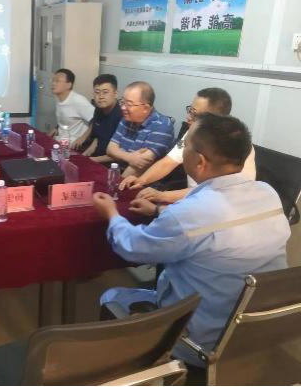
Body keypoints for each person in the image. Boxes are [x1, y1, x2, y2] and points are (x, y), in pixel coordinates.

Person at [93, 114, 290, 368]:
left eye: (185, 145)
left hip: (198, 342)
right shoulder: (268, 193)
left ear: (199, 161)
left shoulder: (191, 213)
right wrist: (158, 211)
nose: (181, 150)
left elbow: (132, 247)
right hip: (258, 333)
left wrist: (112, 214)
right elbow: (205, 226)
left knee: (112, 297)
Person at [120, 88, 257, 205]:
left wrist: (162, 196)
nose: (188, 117)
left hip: (214, 207)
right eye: (190, 110)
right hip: (190, 202)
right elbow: (168, 162)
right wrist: (141, 180)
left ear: (215, 119)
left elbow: (213, 192)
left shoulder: (236, 145)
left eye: (195, 114)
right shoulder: (194, 133)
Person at [100, 81, 175, 176]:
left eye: (129, 104)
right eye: (122, 102)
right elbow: (110, 149)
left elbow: (139, 164)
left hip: (139, 180)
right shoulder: (126, 118)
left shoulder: (162, 126)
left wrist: (118, 182)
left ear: (146, 108)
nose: (123, 108)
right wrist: (130, 157)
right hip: (116, 170)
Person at [73, 74, 123, 157]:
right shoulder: (99, 108)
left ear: (115, 93)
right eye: (97, 92)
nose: (101, 96)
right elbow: (97, 131)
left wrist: (91, 159)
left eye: (105, 92)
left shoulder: (121, 116)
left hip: (109, 159)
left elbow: (120, 153)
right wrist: (83, 138)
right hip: (96, 153)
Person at [48, 69, 95, 147]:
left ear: (69, 85)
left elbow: (96, 120)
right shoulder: (59, 99)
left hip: (73, 145)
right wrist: (57, 127)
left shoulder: (78, 101)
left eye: (57, 81)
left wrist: (82, 138)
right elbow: (67, 117)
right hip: (61, 140)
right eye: (53, 80)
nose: (53, 83)